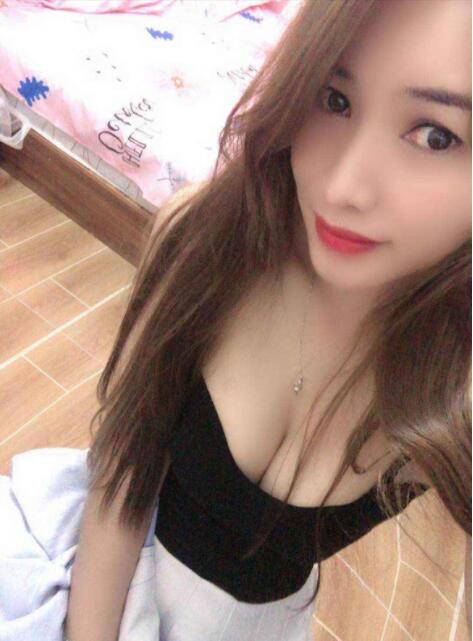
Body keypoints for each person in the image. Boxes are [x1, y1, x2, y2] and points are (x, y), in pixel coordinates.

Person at [63, 0, 470, 639]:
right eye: (334, 100)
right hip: (103, 585)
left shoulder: (457, 388)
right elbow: (120, 473)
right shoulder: (207, 239)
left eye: (435, 135)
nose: (343, 188)